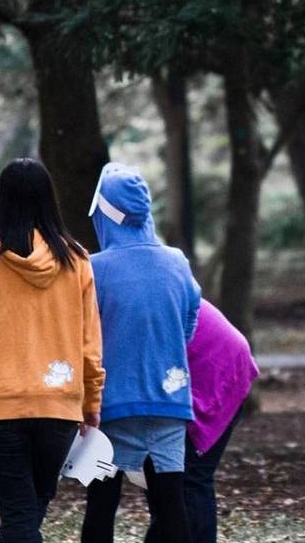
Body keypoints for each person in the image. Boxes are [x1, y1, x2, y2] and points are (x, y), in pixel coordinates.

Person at [0, 158, 105, 543]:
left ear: (0, 202)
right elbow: (90, 342)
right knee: (27, 514)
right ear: (49, 200)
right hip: (60, 404)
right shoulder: (78, 262)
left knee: (20, 517)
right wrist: (91, 402)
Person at [81, 163, 202, 543]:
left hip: (113, 405)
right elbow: (188, 325)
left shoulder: (94, 269)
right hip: (168, 403)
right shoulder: (177, 261)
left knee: (102, 504)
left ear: (105, 213)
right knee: (170, 506)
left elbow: (84, 335)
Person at [177, 299, 259, 543]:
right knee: (168, 480)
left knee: (189, 477)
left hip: (217, 367)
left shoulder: (98, 280)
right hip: (203, 364)